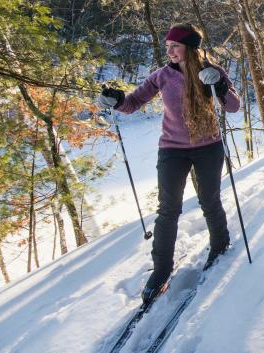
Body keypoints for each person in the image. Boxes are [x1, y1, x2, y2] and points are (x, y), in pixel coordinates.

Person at [97, 23, 240, 305]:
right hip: (172, 150)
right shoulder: (162, 76)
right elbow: (133, 102)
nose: (170, 51)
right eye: (168, 47)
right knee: (168, 210)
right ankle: (161, 270)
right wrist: (117, 99)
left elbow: (233, 106)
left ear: (189, 47)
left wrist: (220, 86)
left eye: (175, 46)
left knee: (209, 200)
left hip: (208, 146)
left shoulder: (211, 72)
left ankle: (220, 245)